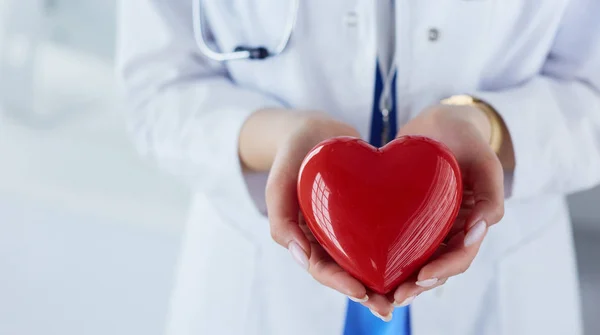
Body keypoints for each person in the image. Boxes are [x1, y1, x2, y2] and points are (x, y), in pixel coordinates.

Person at [116, 1, 600, 334]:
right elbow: (157, 91)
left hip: (500, 280)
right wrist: (282, 140)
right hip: (256, 283)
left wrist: (486, 126)